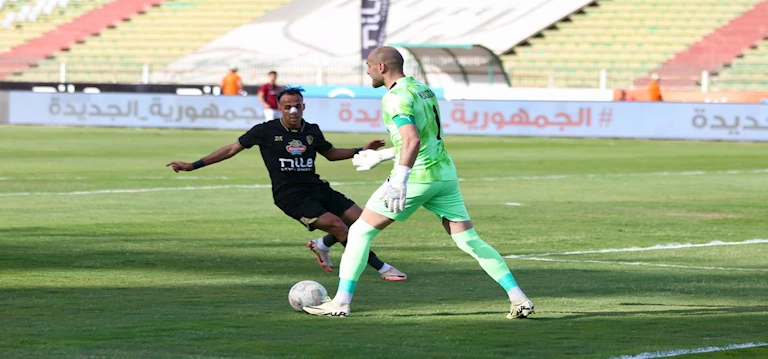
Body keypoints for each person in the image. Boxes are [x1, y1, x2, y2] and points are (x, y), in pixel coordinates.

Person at [303, 46, 534, 319]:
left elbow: (412, 140)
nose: (366, 71)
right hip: (443, 176)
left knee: (359, 232)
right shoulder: (423, 90)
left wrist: (399, 180)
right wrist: (381, 156)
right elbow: (423, 138)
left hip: (417, 177)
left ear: (381, 67)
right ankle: (519, 298)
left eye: (368, 65)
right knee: (469, 239)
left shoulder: (394, 97)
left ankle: (340, 303)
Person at [166, 86, 407, 282]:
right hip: (290, 196)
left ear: (303, 107)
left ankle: (321, 245)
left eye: (297, 106)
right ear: (279, 108)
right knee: (337, 225)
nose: (293, 110)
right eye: (287, 106)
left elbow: (331, 154)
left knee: (361, 221)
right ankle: (382, 268)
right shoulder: (265, 131)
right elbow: (231, 149)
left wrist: (361, 149)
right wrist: (193, 165)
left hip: (317, 187)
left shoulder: (311, 131)